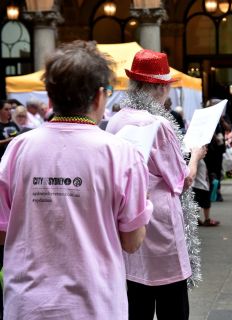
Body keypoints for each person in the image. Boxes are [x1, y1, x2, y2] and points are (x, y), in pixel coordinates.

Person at [0, 40, 152, 320]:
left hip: (27, 304)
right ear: (98, 97)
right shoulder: (121, 153)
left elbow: (2, 232)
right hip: (96, 305)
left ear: (50, 98)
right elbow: (132, 241)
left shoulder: (17, 150)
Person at [106, 49, 206, 320]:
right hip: (160, 219)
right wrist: (195, 156)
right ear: (158, 88)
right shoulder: (158, 122)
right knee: (171, 299)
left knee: (135, 295)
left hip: (128, 216)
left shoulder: (115, 119)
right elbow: (181, 180)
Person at [193, 159, 220, 226]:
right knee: (201, 204)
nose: (206, 151)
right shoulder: (197, 160)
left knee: (203, 204)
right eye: (204, 149)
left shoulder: (201, 160)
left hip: (203, 185)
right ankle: (205, 219)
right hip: (199, 186)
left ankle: (197, 218)